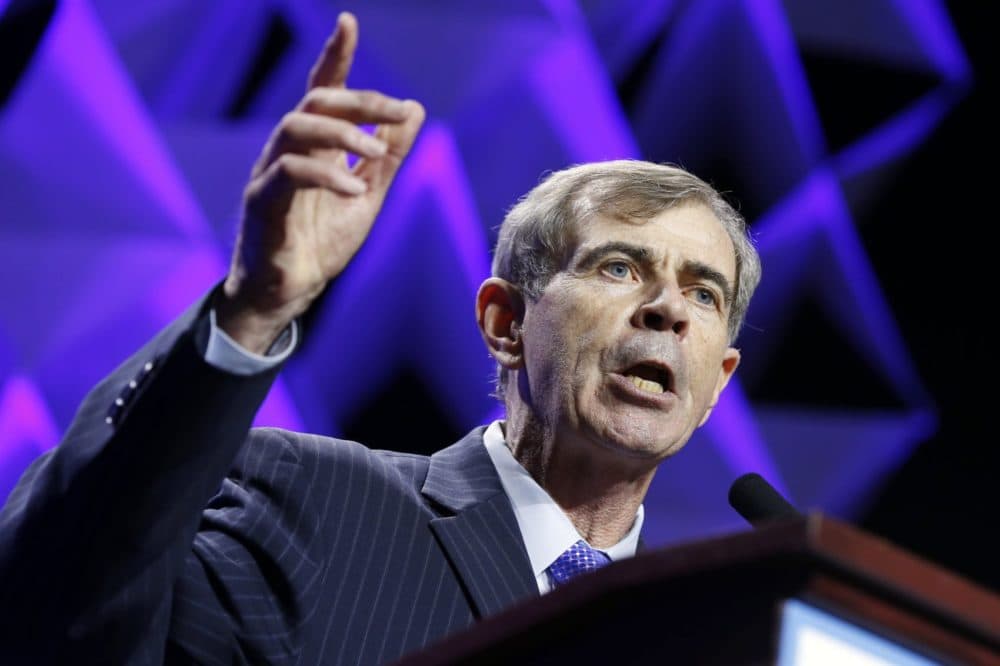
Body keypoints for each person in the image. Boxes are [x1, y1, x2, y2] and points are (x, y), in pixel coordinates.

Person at [0, 11, 760, 665]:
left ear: (717, 381)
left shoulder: (708, 639)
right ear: (506, 324)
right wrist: (253, 310)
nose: (668, 309)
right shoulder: (317, 506)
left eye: (703, 291)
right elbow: (61, 607)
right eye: (621, 267)